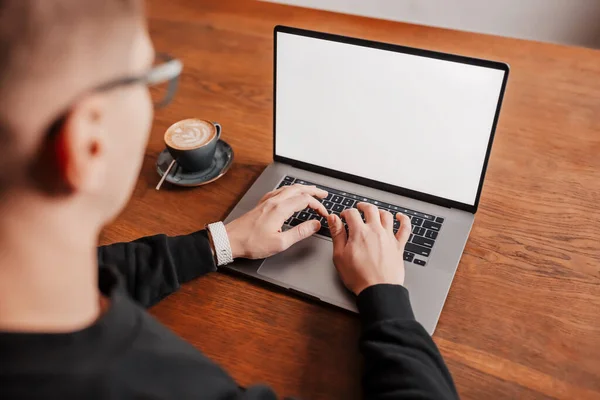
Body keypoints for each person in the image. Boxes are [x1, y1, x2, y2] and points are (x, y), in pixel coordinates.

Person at [0, 1, 458, 399]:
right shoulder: (154, 385)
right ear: (87, 144)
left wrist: (220, 242)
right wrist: (385, 293)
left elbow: (97, 270)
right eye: (147, 78)